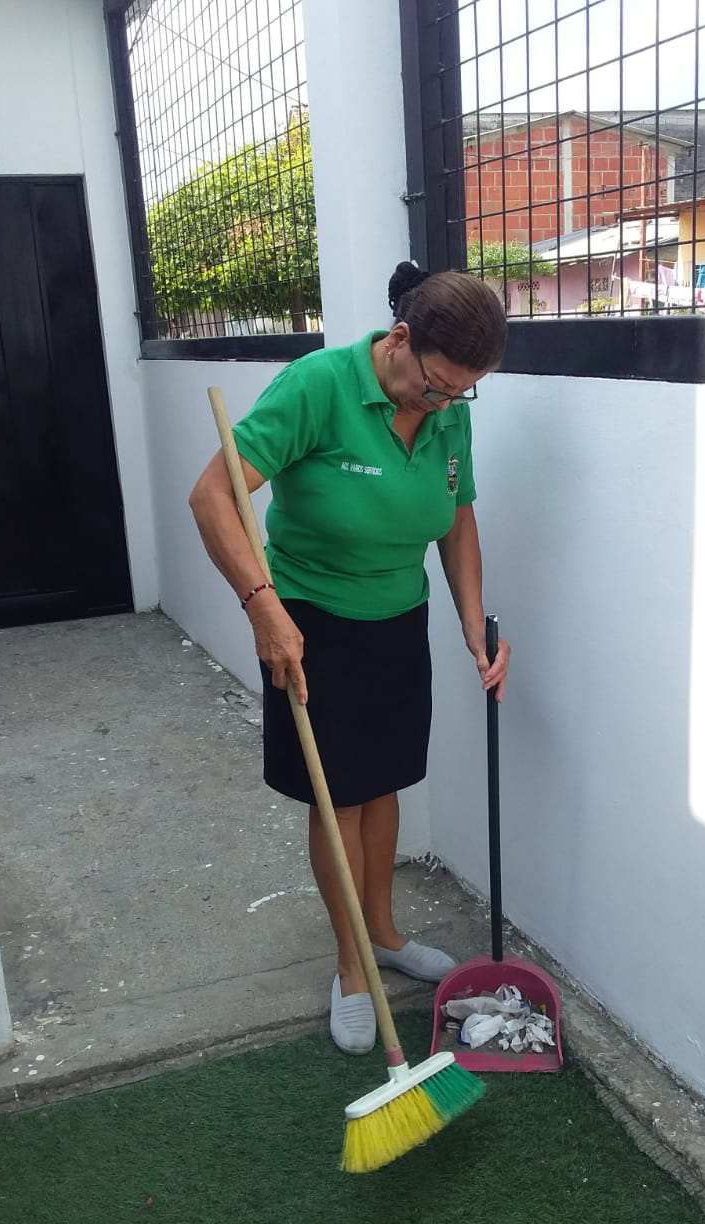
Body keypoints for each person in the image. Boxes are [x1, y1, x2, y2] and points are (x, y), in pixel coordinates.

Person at [189, 262, 511, 1054]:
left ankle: (385, 935)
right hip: (309, 620)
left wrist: (473, 623)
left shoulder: (446, 413)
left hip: (397, 617)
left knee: (383, 781)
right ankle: (351, 966)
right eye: (436, 386)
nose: (443, 404)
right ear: (399, 339)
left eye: (461, 394)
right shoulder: (319, 386)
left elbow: (456, 520)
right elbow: (212, 495)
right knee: (337, 800)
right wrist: (262, 607)